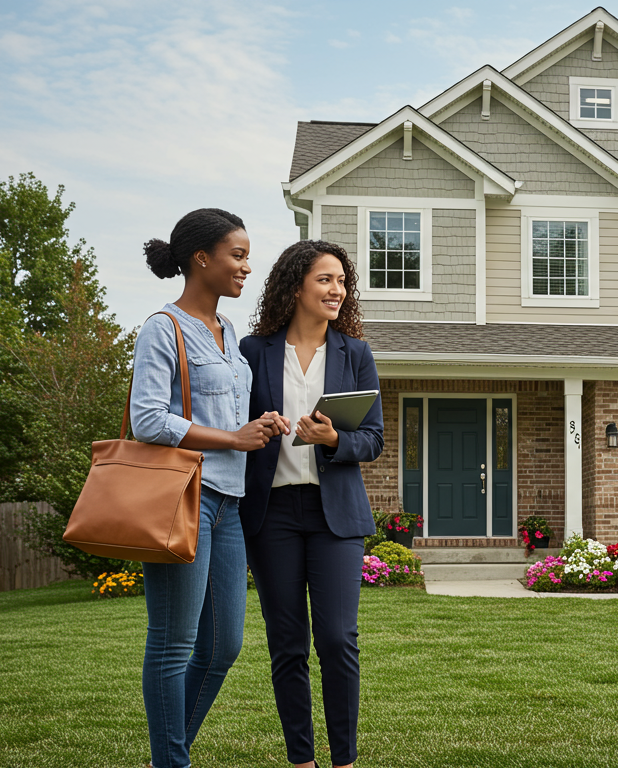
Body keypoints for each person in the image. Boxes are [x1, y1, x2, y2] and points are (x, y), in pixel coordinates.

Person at [132, 208, 287, 768]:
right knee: (173, 644)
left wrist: (257, 425)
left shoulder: (229, 332)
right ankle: (173, 761)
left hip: (229, 504)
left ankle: (168, 755)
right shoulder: (163, 327)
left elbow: (227, 418)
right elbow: (148, 420)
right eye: (237, 255)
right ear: (201, 258)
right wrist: (232, 437)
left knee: (223, 647)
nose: (247, 267)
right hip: (183, 499)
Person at [240, 240, 384, 768]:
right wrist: (256, 428)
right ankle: (302, 761)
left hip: (336, 516)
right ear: (295, 285)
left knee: (338, 639)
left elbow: (373, 438)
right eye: (325, 279)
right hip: (271, 514)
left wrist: (333, 439)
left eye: (342, 282)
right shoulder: (253, 351)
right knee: (288, 644)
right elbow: (234, 426)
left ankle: (344, 762)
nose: (337, 290)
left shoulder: (355, 353)